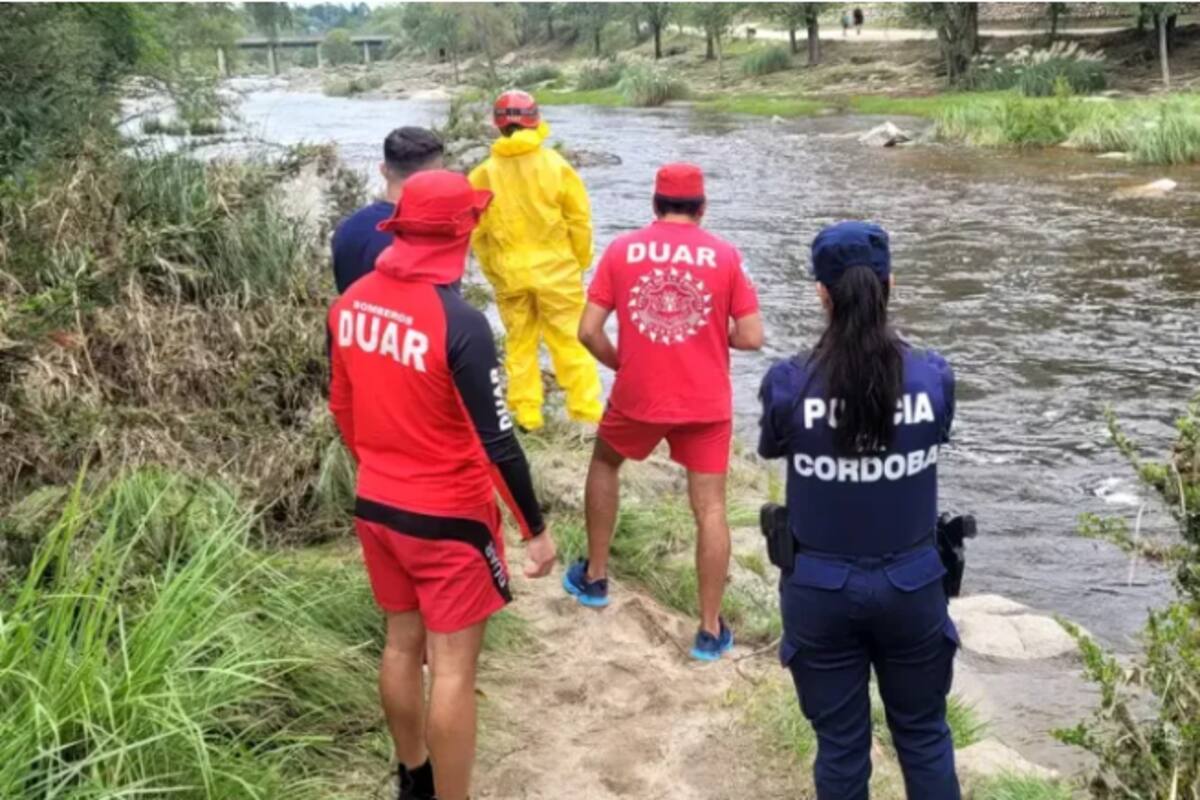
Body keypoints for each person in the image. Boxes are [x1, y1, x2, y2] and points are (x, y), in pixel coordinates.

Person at [328, 170, 558, 800]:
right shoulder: (460, 323)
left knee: (402, 646)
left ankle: (414, 776)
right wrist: (535, 531)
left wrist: (381, 462)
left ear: (399, 228)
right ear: (464, 231)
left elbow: (343, 408)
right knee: (452, 668)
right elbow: (499, 442)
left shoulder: (348, 305)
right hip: (450, 520)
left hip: (377, 504)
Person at [758, 221, 960, 799]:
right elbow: (934, 433)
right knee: (923, 735)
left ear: (822, 294)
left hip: (820, 590)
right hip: (914, 585)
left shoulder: (789, 384)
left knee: (842, 747)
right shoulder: (933, 376)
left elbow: (774, 445)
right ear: (889, 284)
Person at [565, 163, 764, 661]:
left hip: (639, 395)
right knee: (711, 509)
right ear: (702, 208)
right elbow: (753, 337)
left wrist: (622, 361)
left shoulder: (621, 250)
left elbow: (588, 331)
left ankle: (595, 579)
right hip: (705, 402)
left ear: (654, 204)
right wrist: (716, 332)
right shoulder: (725, 255)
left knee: (605, 463)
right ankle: (709, 630)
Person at [469, 90, 603, 431]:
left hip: (509, 275)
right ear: (536, 119)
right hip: (558, 274)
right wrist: (581, 261)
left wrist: (492, 271)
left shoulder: (483, 174)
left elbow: (476, 232)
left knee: (519, 343)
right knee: (570, 342)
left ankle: (528, 415)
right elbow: (580, 221)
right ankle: (585, 414)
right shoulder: (557, 167)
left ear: (498, 126)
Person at [331, 126, 444, 294]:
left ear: (384, 170)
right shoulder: (431, 238)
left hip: (352, 317)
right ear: (437, 176)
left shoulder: (345, 229)